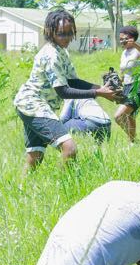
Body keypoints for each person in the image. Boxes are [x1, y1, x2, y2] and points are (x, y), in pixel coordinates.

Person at [13, 10, 117, 169]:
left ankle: (22, 188)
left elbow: (73, 81)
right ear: (50, 32)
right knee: (69, 148)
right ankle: (63, 185)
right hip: (32, 104)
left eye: (70, 33)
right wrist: (98, 93)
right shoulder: (51, 55)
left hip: (35, 105)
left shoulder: (62, 52)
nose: (67, 38)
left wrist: (102, 89)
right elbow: (63, 91)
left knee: (35, 155)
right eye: (61, 34)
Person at [114, 26, 140, 143]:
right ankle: (132, 142)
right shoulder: (124, 53)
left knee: (119, 116)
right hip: (127, 86)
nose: (122, 41)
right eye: (121, 39)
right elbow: (123, 70)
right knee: (130, 116)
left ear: (132, 39)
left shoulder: (137, 50)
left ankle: (134, 140)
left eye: (125, 39)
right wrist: (119, 82)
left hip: (136, 86)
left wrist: (135, 44)